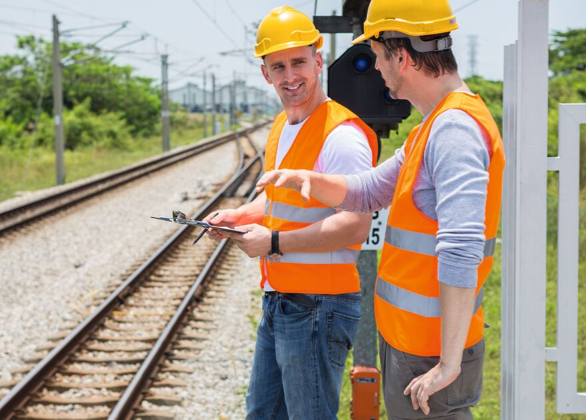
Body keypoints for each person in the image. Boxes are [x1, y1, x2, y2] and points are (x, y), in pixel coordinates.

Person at [256, 0, 505, 418]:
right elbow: (370, 190)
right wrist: (309, 180)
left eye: (377, 58)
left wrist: (448, 365)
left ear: (402, 57)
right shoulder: (431, 126)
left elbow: (462, 248)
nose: (376, 69)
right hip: (411, 341)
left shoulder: (455, 130)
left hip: (429, 352)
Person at [203, 6, 379, 419]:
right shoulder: (283, 126)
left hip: (320, 306)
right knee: (262, 414)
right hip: (281, 301)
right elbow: (281, 200)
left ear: (318, 60)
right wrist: (241, 215)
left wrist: (275, 242)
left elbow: (356, 223)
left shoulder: (342, 136)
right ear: (265, 73)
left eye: (298, 61)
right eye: (278, 66)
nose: (290, 76)